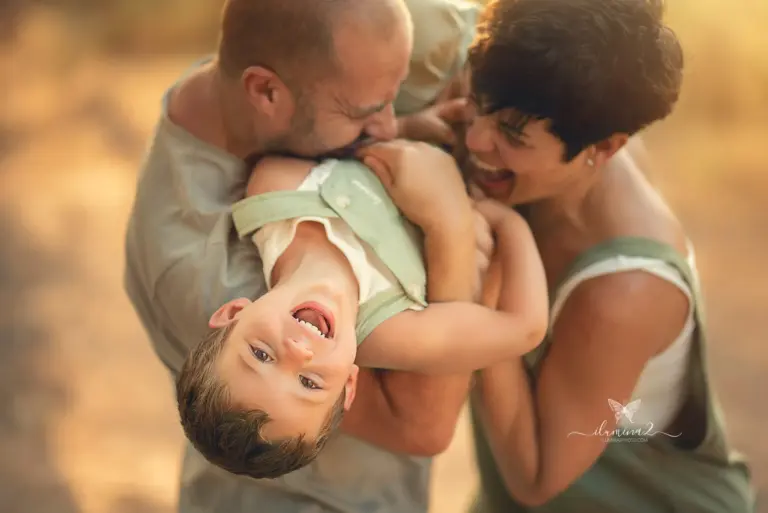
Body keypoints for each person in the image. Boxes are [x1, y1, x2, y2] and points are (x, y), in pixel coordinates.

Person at [123, 0, 482, 511]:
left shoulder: (307, 52)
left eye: (393, 101)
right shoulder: (206, 280)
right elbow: (421, 427)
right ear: (265, 92)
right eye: (363, 112)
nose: (387, 125)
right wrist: (451, 224)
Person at [441, 0, 752, 511]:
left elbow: (538, 476)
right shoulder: (540, 107)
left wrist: (491, 296)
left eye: (512, 135)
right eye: (478, 102)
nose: (475, 137)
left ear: (605, 148)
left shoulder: (623, 290)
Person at [175, 144, 548, 479]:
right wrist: (503, 220)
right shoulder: (399, 332)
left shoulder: (275, 190)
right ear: (348, 386)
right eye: (309, 383)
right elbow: (524, 327)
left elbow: (342, 122)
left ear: (233, 312)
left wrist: (409, 131)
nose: (298, 352)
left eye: (261, 354)